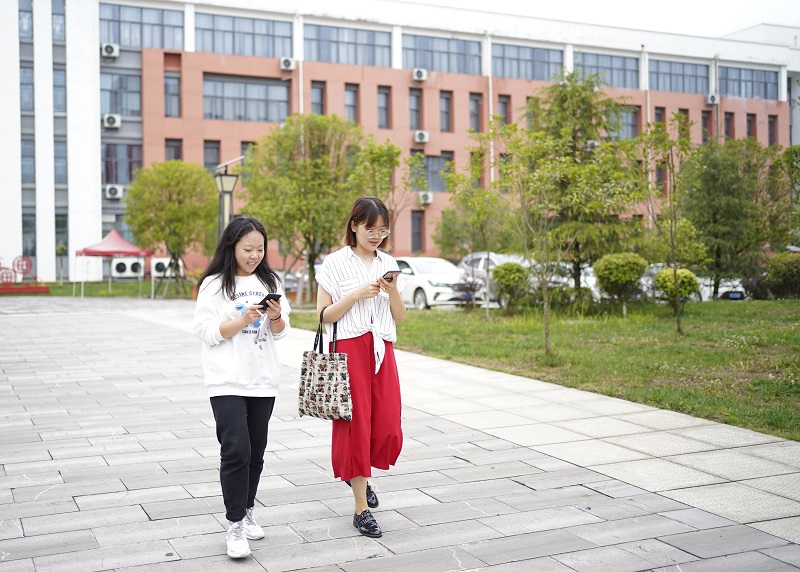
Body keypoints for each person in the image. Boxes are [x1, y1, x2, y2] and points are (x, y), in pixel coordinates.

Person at [192, 217, 291, 559]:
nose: (254, 256)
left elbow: (280, 332)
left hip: (262, 380)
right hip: (226, 379)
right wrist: (241, 321)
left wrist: (274, 316)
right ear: (232, 246)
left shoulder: (270, 280)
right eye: (248, 249)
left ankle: (247, 510)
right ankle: (234, 524)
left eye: (260, 249)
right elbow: (205, 330)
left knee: (256, 452)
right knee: (236, 449)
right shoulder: (215, 284)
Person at [315, 196, 406, 538]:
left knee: (386, 426)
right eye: (370, 228)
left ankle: (363, 478)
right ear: (354, 225)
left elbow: (399, 316)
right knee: (356, 426)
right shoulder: (335, 263)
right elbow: (323, 317)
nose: (376, 236)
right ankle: (360, 509)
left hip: (383, 348)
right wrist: (355, 295)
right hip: (350, 349)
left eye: (383, 230)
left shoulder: (388, 261)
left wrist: (392, 291)